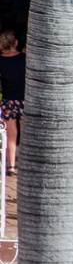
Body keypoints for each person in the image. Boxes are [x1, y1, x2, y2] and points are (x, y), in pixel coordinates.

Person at [0, 24, 23, 174]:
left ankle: (11, 166)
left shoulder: (1, 61)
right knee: (26, 134)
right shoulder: (24, 59)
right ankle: (27, 162)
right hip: (24, 101)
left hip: (8, 101)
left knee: (11, 135)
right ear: (16, 43)